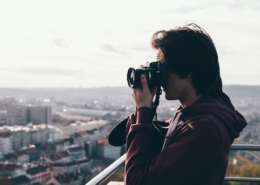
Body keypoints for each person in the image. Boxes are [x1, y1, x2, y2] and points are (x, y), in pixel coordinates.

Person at [125, 23, 247, 185]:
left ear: (186, 71)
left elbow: (136, 182)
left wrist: (143, 110)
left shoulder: (205, 127)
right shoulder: (193, 114)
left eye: (162, 67)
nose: (159, 75)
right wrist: (142, 109)